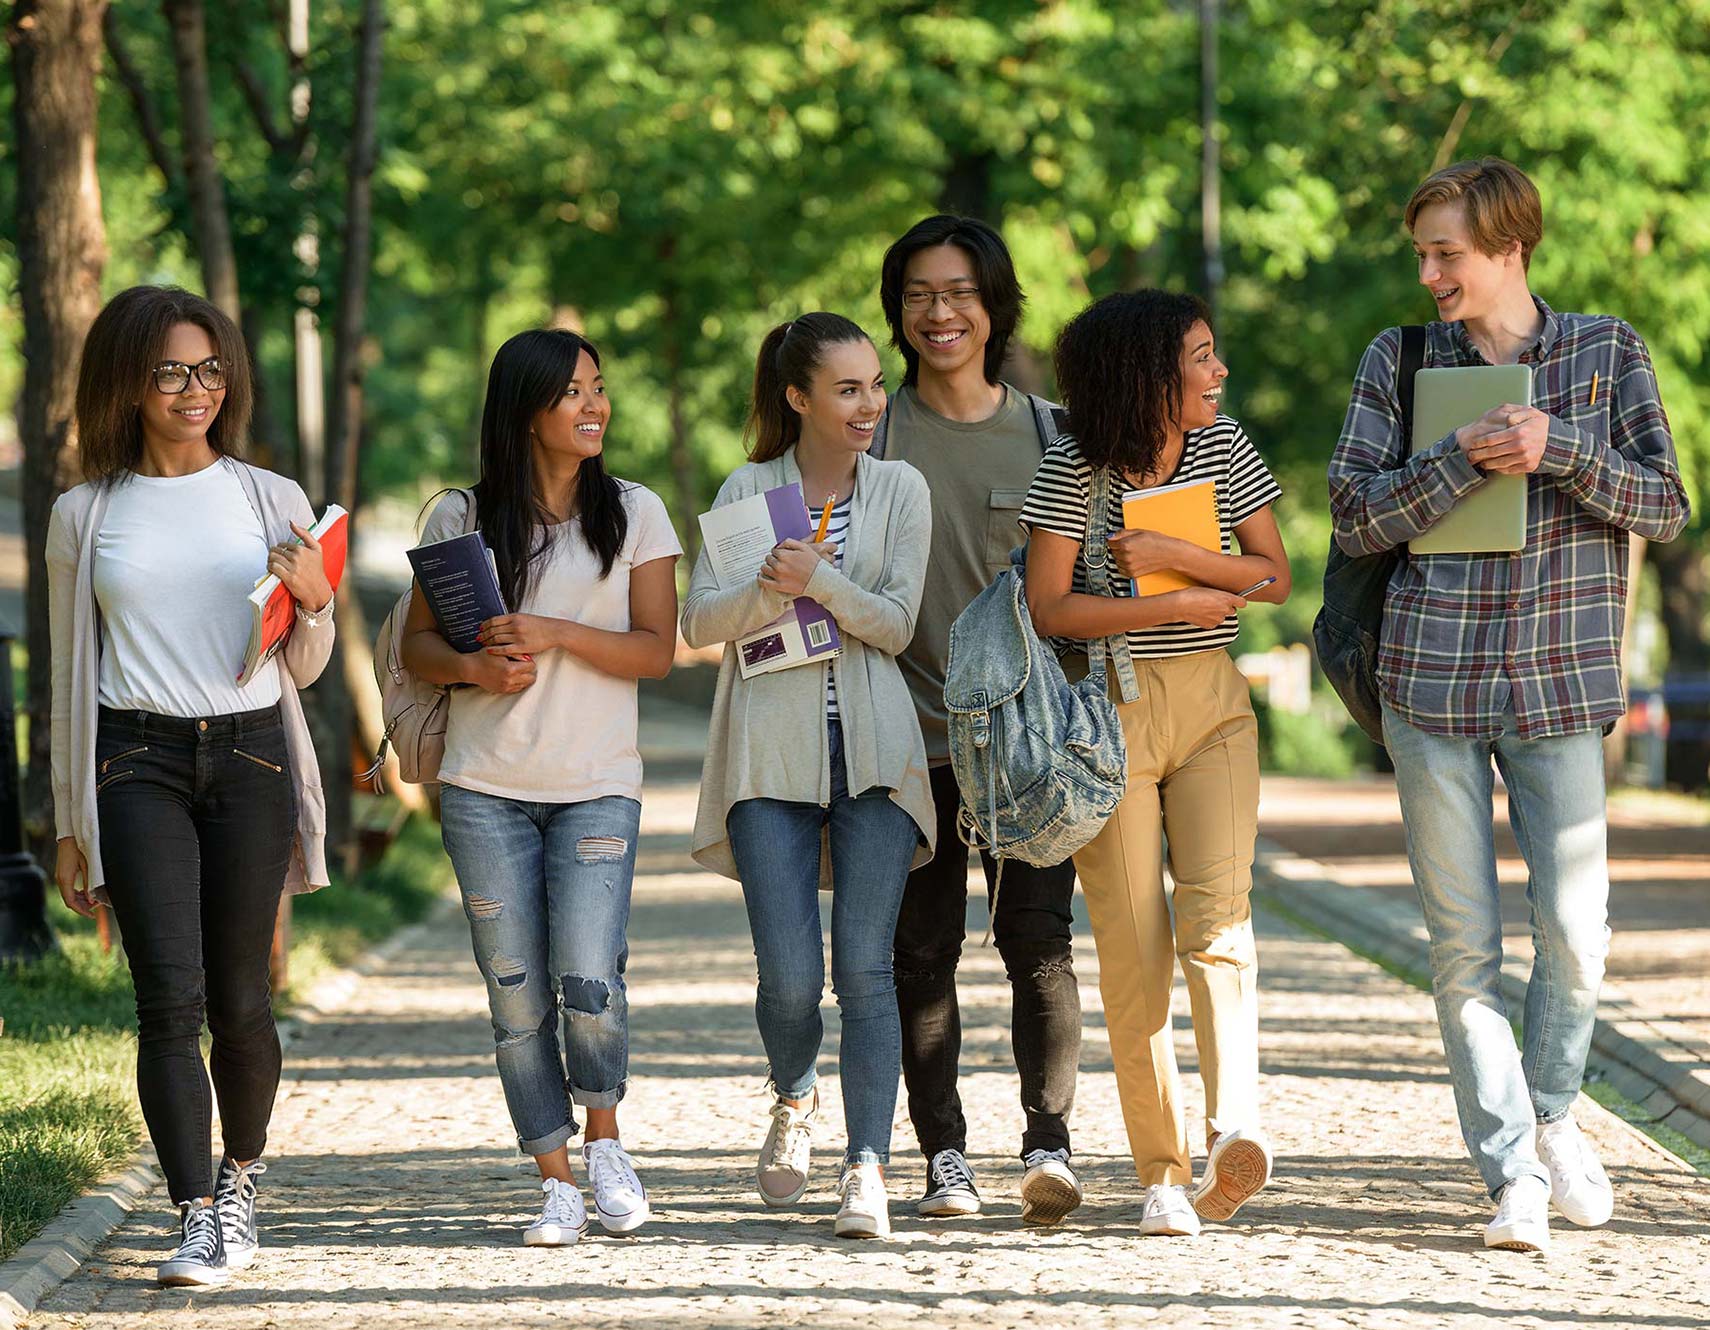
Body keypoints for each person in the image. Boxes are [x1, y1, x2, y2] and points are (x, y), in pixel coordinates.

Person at [1327, 157, 1689, 1252]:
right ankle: (1510, 1175)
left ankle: (1550, 1113)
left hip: (1560, 686)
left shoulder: (1606, 351)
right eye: (1423, 253)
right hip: (1429, 686)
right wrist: (1456, 464)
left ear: (1509, 246)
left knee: (1577, 935)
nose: (1430, 272)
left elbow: (1667, 505)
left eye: (1448, 253)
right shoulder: (1398, 360)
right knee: (1462, 949)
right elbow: (1351, 517)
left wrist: (1559, 449)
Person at [47, 286, 335, 1287]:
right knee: (168, 998)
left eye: (209, 367)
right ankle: (196, 1212)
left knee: (242, 998)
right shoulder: (84, 516)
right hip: (136, 760)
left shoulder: (271, 498)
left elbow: (305, 666)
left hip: (251, 751)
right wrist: (68, 819)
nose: (194, 388)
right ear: (127, 382)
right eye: (171, 369)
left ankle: (241, 1176)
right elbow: (69, 673)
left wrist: (315, 602)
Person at [400, 328, 681, 1245]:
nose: (594, 405)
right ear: (526, 411)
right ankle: (554, 1177)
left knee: (588, 977)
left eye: (599, 387)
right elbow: (416, 650)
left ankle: (606, 1142)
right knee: (515, 991)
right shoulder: (459, 519)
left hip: (598, 782)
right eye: (572, 392)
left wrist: (555, 631)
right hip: (485, 787)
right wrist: (477, 672)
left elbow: (655, 651)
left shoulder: (636, 512)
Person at [1023, 289, 1290, 1238]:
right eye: (1202, 358)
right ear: (1147, 375)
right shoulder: (1070, 470)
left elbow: (1273, 575)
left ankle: (1233, 1132)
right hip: (1111, 719)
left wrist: (1182, 556)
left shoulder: (1225, 450)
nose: (1218, 374)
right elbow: (1051, 608)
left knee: (1219, 925)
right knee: (1135, 951)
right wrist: (1159, 606)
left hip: (1214, 708)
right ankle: (1163, 1172)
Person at [682, 312, 933, 1239]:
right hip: (768, 753)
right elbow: (701, 623)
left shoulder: (901, 488)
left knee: (864, 970)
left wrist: (821, 581)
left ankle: (867, 1163)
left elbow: (899, 624)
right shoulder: (749, 488)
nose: (870, 404)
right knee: (790, 980)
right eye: (848, 389)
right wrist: (770, 588)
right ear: (798, 399)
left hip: (875, 753)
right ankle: (794, 1094)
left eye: (875, 385)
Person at [871, 213, 1085, 1223]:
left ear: (994, 306)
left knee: (1038, 942)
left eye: (958, 292)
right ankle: (942, 1154)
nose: (939, 312)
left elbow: (1087, 583)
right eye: (918, 294)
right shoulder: (869, 436)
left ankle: (1049, 1143)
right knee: (921, 955)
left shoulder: (1053, 434)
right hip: (906, 743)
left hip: (1027, 753)